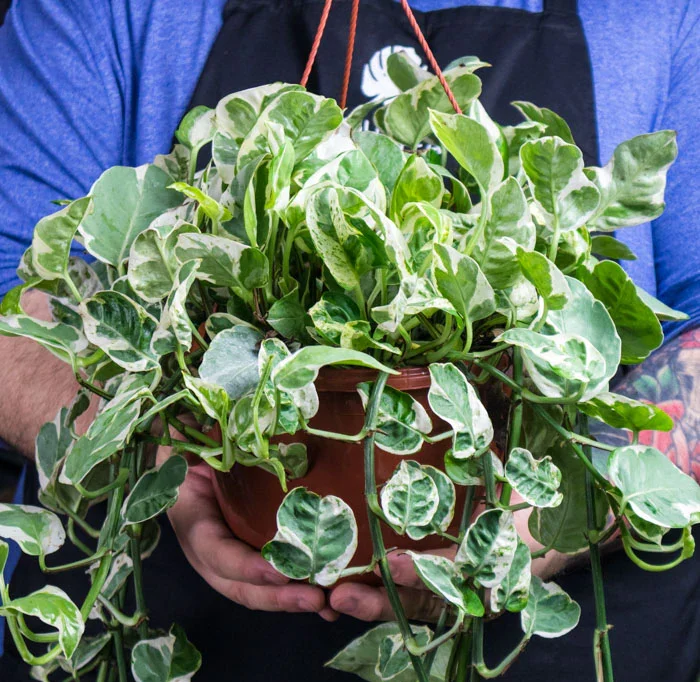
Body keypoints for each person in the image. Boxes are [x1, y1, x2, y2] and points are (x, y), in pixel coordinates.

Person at [1, 0, 699, 680]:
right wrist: (157, 463)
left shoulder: (660, 15)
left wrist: (571, 503)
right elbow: (10, 286)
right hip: (187, 621)